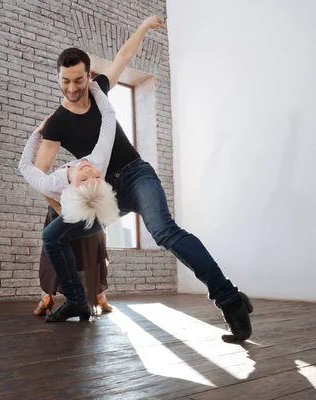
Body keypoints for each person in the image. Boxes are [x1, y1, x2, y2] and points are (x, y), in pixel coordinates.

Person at [33, 16, 253, 342]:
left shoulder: (98, 91)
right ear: (59, 77)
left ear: (88, 74)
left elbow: (124, 56)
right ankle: (78, 302)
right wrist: (65, 205)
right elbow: (39, 175)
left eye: (78, 79)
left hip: (137, 176)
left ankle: (230, 300)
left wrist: (145, 27)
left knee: (164, 231)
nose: (73, 87)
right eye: (66, 81)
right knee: (53, 236)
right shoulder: (57, 123)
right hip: (106, 194)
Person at [19, 81, 121, 322]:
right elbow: (109, 115)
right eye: (92, 176)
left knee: (75, 240)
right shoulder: (89, 165)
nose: (89, 168)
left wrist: (37, 133)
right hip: (79, 210)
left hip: (89, 214)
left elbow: (24, 165)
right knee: (53, 238)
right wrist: (94, 87)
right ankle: (72, 299)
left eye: (91, 176)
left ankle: (88, 297)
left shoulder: (65, 178)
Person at [33, 206, 113, 317]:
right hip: (75, 207)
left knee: (87, 250)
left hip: (82, 207)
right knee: (61, 249)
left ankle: (46, 298)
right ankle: (99, 297)